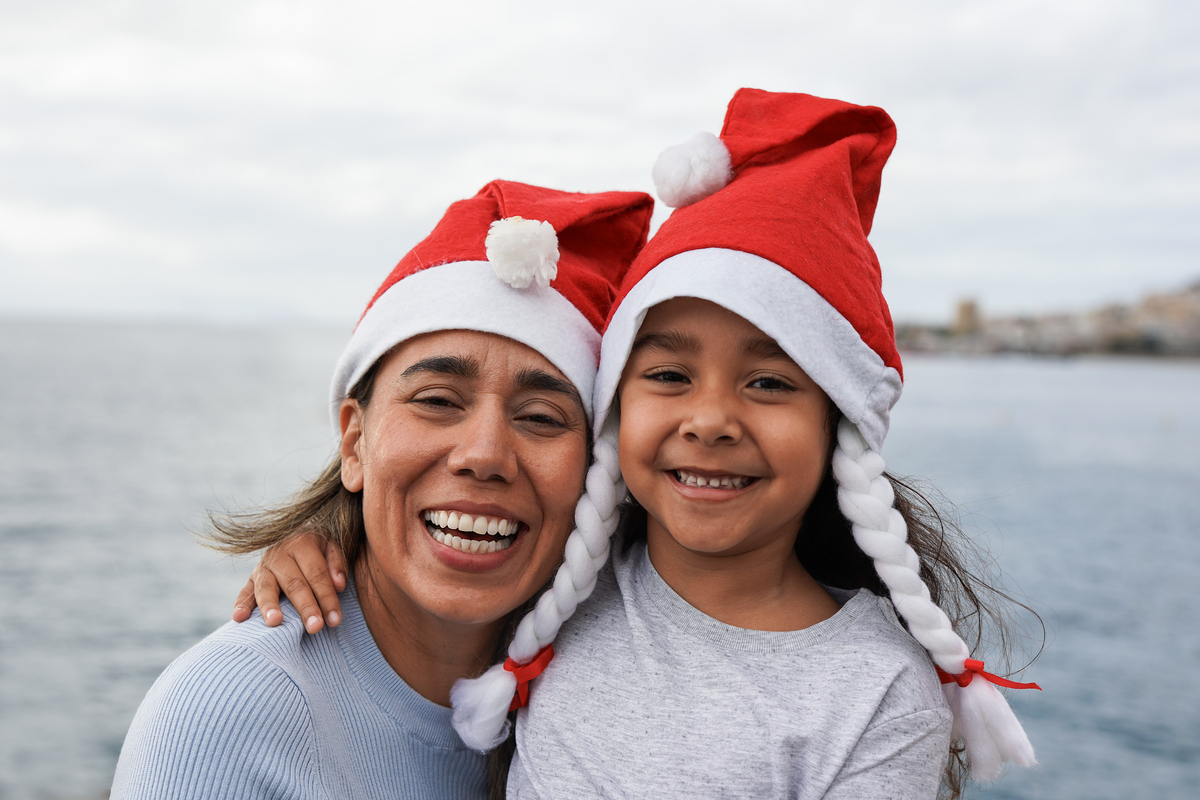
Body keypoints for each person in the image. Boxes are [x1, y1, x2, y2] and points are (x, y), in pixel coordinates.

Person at [244, 91, 1042, 798]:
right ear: (616, 411)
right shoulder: (566, 592)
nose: (711, 420)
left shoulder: (874, 693)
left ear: (839, 426)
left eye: (768, 384)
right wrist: (324, 541)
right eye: (667, 374)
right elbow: (447, 556)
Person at [110, 180, 654, 800]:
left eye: (541, 418)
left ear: (596, 476)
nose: (483, 455)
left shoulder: (602, 686)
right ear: (353, 443)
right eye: (437, 401)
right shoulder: (232, 715)